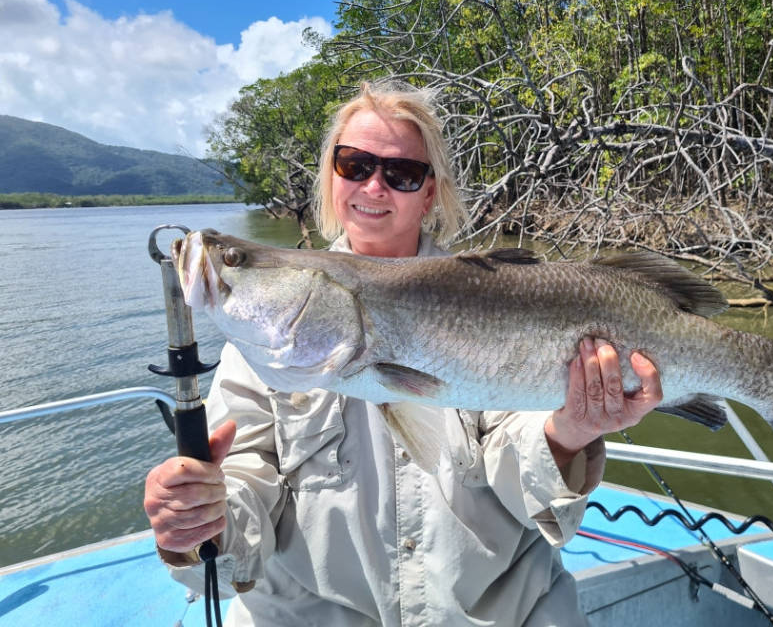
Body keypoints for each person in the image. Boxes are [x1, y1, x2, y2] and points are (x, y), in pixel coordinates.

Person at [144, 81, 663, 626]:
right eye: (354, 164)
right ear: (331, 175)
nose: (374, 184)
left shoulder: (494, 296)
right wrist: (203, 518)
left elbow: (520, 479)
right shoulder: (258, 344)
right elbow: (249, 501)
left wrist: (571, 433)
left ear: (429, 193)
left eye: (401, 173)